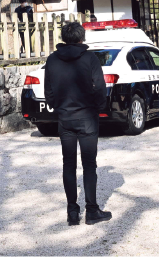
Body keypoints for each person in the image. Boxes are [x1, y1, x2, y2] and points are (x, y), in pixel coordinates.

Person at [44, 20, 113, 226]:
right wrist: (98, 106)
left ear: (63, 38)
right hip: (87, 116)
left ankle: (72, 212)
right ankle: (91, 211)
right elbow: (100, 86)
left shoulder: (52, 59)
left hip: (65, 117)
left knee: (68, 164)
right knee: (89, 165)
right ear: (82, 37)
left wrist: (57, 106)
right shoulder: (89, 58)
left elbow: (48, 89)